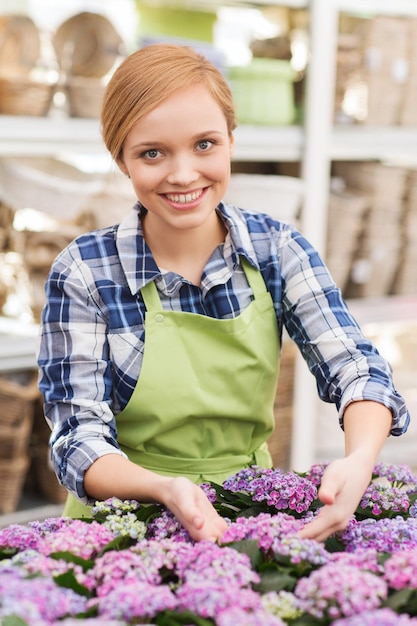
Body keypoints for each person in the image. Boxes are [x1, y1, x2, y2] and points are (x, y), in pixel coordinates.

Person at [37, 43, 410, 543]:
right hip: (120, 521)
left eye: (205, 144)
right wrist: (166, 489)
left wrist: (360, 459)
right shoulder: (84, 271)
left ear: (232, 140)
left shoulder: (278, 250)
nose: (184, 173)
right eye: (152, 153)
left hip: (246, 511)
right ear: (121, 159)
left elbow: (357, 367)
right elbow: (76, 438)